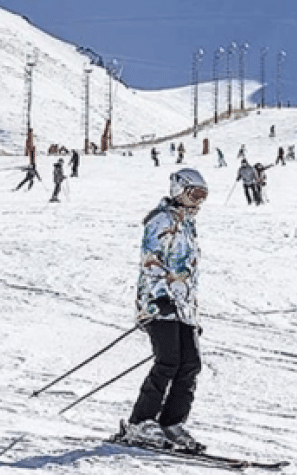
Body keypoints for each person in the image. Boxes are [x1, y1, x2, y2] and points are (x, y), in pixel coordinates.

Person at [120, 168, 208, 453]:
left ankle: (171, 423)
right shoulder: (161, 220)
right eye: (194, 194)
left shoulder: (188, 224)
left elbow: (188, 270)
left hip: (183, 308)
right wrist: (160, 297)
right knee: (168, 361)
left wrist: (191, 310)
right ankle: (140, 422)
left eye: (203, 196)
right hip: (158, 303)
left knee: (191, 363)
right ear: (178, 190)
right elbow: (151, 260)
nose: (198, 201)